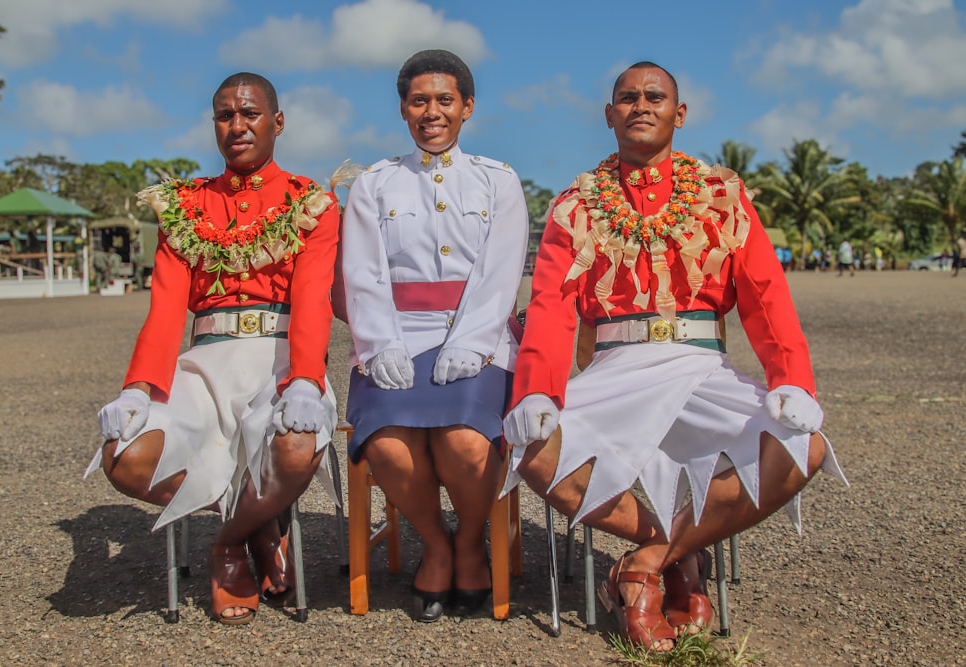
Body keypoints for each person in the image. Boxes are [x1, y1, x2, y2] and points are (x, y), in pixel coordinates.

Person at [501, 62, 846, 651]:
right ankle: (678, 553)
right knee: (534, 451)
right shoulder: (574, 206)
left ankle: (644, 564)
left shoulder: (723, 196)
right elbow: (553, 308)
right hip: (613, 367)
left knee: (802, 445)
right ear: (609, 115)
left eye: (654, 97)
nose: (641, 105)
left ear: (678, 114)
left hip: (700, 364)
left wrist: (793, 380)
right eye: (627, 98)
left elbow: (766, 295)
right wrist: (537, 389)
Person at [86, 72, 341, 625]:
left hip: (279, 358)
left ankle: (229, 541)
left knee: (296, 447)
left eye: (249, 113)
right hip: (201, 365)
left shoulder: (311, 202)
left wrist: (305, 378)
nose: (237, 125)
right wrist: (136, 388)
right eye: (224, 116)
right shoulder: (184, 205)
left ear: (277, 122)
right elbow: (164, 306)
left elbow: (314, 300)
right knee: (123, 458)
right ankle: (259, 524)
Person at [340, 49, 527, 622]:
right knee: (388, 445)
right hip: (395, 339)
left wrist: (471, 342)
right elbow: (362, 272)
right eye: (419, 100)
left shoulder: (499, 181)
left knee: (465, 443)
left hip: (480, 337)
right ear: (403, 109)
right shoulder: (374, 183)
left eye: (444, 100)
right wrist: (379, 344)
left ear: (467, 107)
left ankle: (471, 544)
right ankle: (437, 544)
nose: (432, 112)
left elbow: (500, 273)